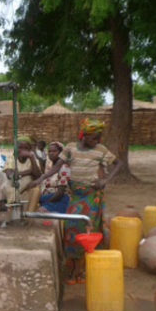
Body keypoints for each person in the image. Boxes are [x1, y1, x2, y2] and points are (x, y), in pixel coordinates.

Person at [37, 118, 122, 284]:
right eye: (93, 137)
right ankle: (73, 266)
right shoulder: (70, 148)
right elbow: (56, 167)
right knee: (71, 229)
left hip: (92, 195)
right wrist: (40, 178)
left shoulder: (101, 150)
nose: (97, 141)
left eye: (98, 137)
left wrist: (105, 181)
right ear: (83, 135)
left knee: (89, 229)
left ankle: (82, 270)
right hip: (75, 195)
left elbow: (119, 164)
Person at [24, 141, 71, 213]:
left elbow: (60, 193)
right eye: (49, 151)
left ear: (61, 153)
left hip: (59, 199)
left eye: (54, 151)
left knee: (40, 212)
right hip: (48, 198)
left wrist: (46, 202)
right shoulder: (49, 167)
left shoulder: (64, 168)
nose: (51, 153)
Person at [0, 136, 42, 211]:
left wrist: (32, 157)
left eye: (26, 148)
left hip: (27, 190)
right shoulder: (11, 159)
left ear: (30, 150)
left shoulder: (33, 160)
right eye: (20, 147)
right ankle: (13, 211)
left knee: (36, 191)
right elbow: (10, 175)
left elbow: (37, 176)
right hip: (14, 188)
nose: (23, 150)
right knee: (11, 188)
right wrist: (29, 171)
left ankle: (29, 216)